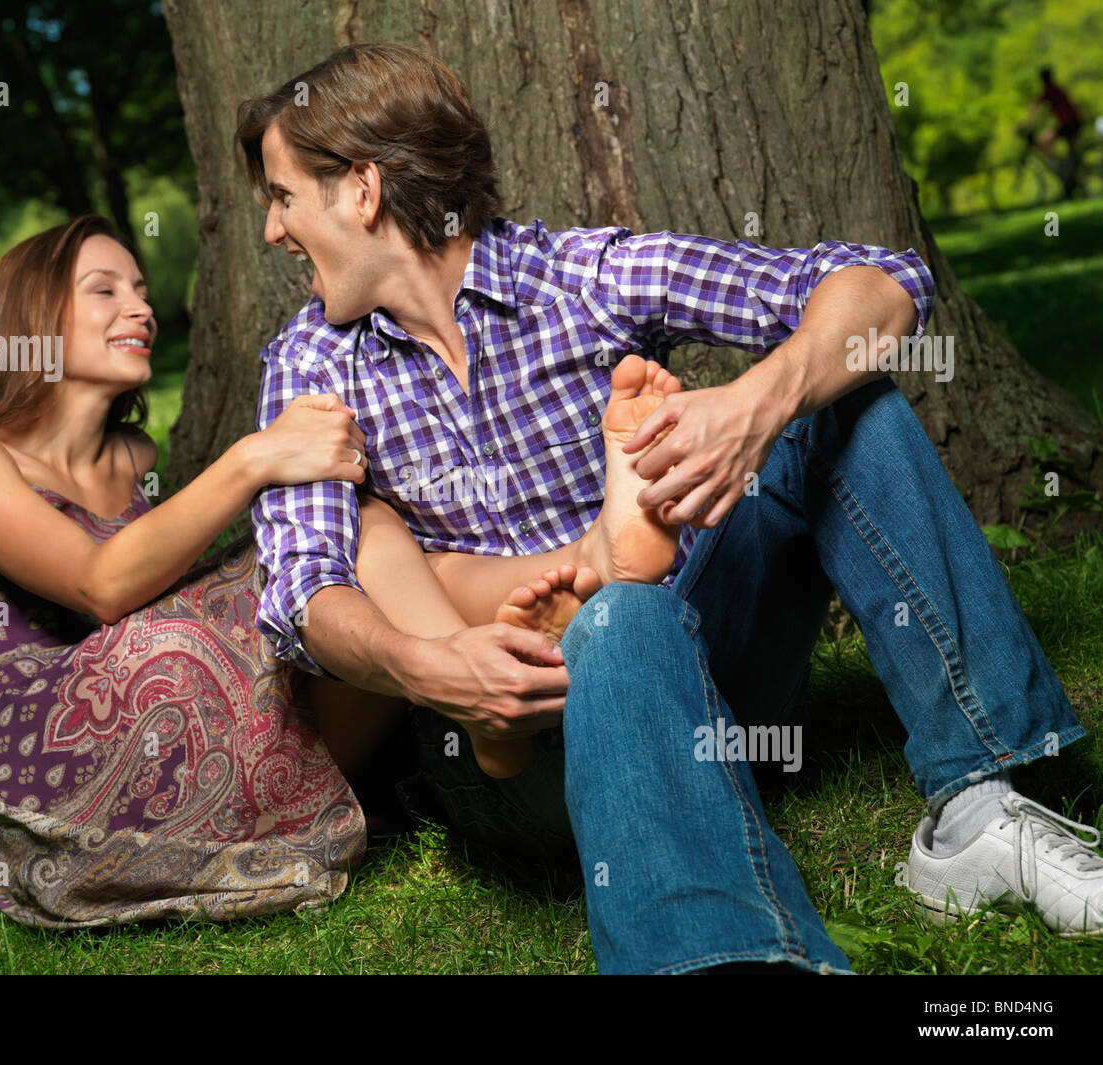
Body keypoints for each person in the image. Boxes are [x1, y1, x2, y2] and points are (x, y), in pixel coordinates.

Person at [238, 43, 1103, 973]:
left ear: (360, 189)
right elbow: (302, 591)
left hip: (691, 674)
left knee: (836, 406)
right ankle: (722, 952)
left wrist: (755, 404)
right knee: (618, 617)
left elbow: (885, 281)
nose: (272, 234)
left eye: (284, 197)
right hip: (512, 748)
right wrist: (430, 668)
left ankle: (984, 798)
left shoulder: (580, 276)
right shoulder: (314, 362)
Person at [0, 215, 377, 928]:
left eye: (142, 290)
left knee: (317, 550)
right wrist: (255, 459)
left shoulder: (137, 457)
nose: (142, 308)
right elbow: (102, 586)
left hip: (164, 723)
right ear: (35, 319)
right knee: (180, 638)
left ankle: (371, 755)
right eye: (106, 291)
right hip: (42, 767)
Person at [1024, 66, 1085, 195]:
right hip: (1072, 122)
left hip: (1070, 124)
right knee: (1072, 157)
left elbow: (1036, 108)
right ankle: (1072, 182)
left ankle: (1062, 167)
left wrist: (1028, 125)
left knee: (1042, 142)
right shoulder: (1055, 89)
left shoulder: (1049, 91)